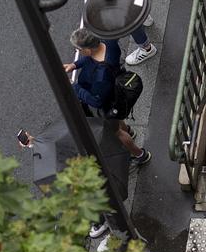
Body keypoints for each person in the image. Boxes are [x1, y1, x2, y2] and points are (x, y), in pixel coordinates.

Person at [63, 29, 151, 165]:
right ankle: (128, 131)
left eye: (78, 49)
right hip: (115, 95)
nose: (77, 51)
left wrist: (75, 87)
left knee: (117, 132)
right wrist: (74, 65)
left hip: (107, 103)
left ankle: (139, 155)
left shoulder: (101, 76)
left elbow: (96, 101)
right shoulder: (107, 43)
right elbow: (90, 58)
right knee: (116, 120)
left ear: (87, 49)